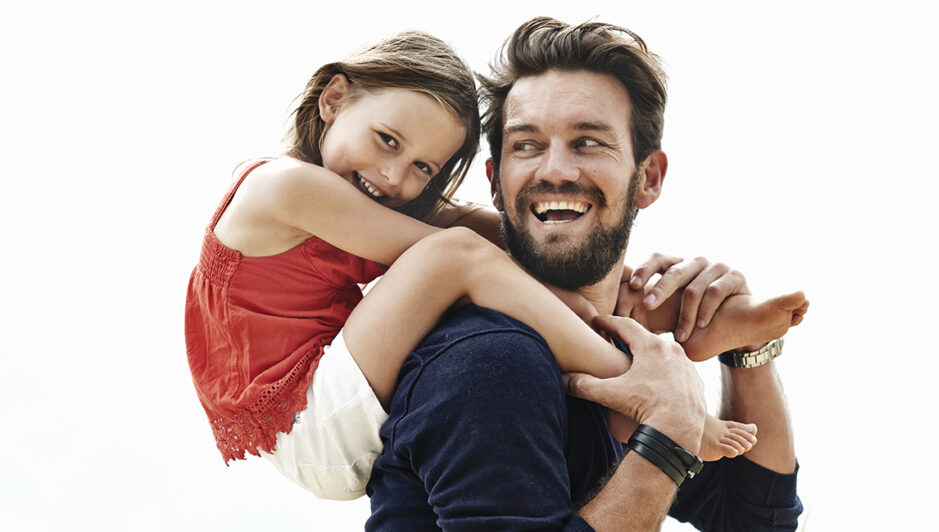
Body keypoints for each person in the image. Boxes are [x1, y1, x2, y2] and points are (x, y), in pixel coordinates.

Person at [184, 29, 804, 503]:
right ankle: (641, 382)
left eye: (425, 168)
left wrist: (632, 280)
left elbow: (757, 518)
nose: (397, 178)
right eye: (388, 141)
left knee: (475, 244)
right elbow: (462, 247)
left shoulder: (361, 197)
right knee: (453, 254)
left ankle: (691, 324)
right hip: (306, 418)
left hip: (330, 399)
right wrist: (668, 416)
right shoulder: (284, 186)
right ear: (335, 99)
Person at [365, 17, 805, 531]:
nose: (555, 169)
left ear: (649, 178)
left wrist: (744, 352)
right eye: (526, 145)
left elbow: (754, 520)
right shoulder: (491, 357)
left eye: (588, 142)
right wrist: (670, 430)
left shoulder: (611, 355)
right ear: (495, 181)